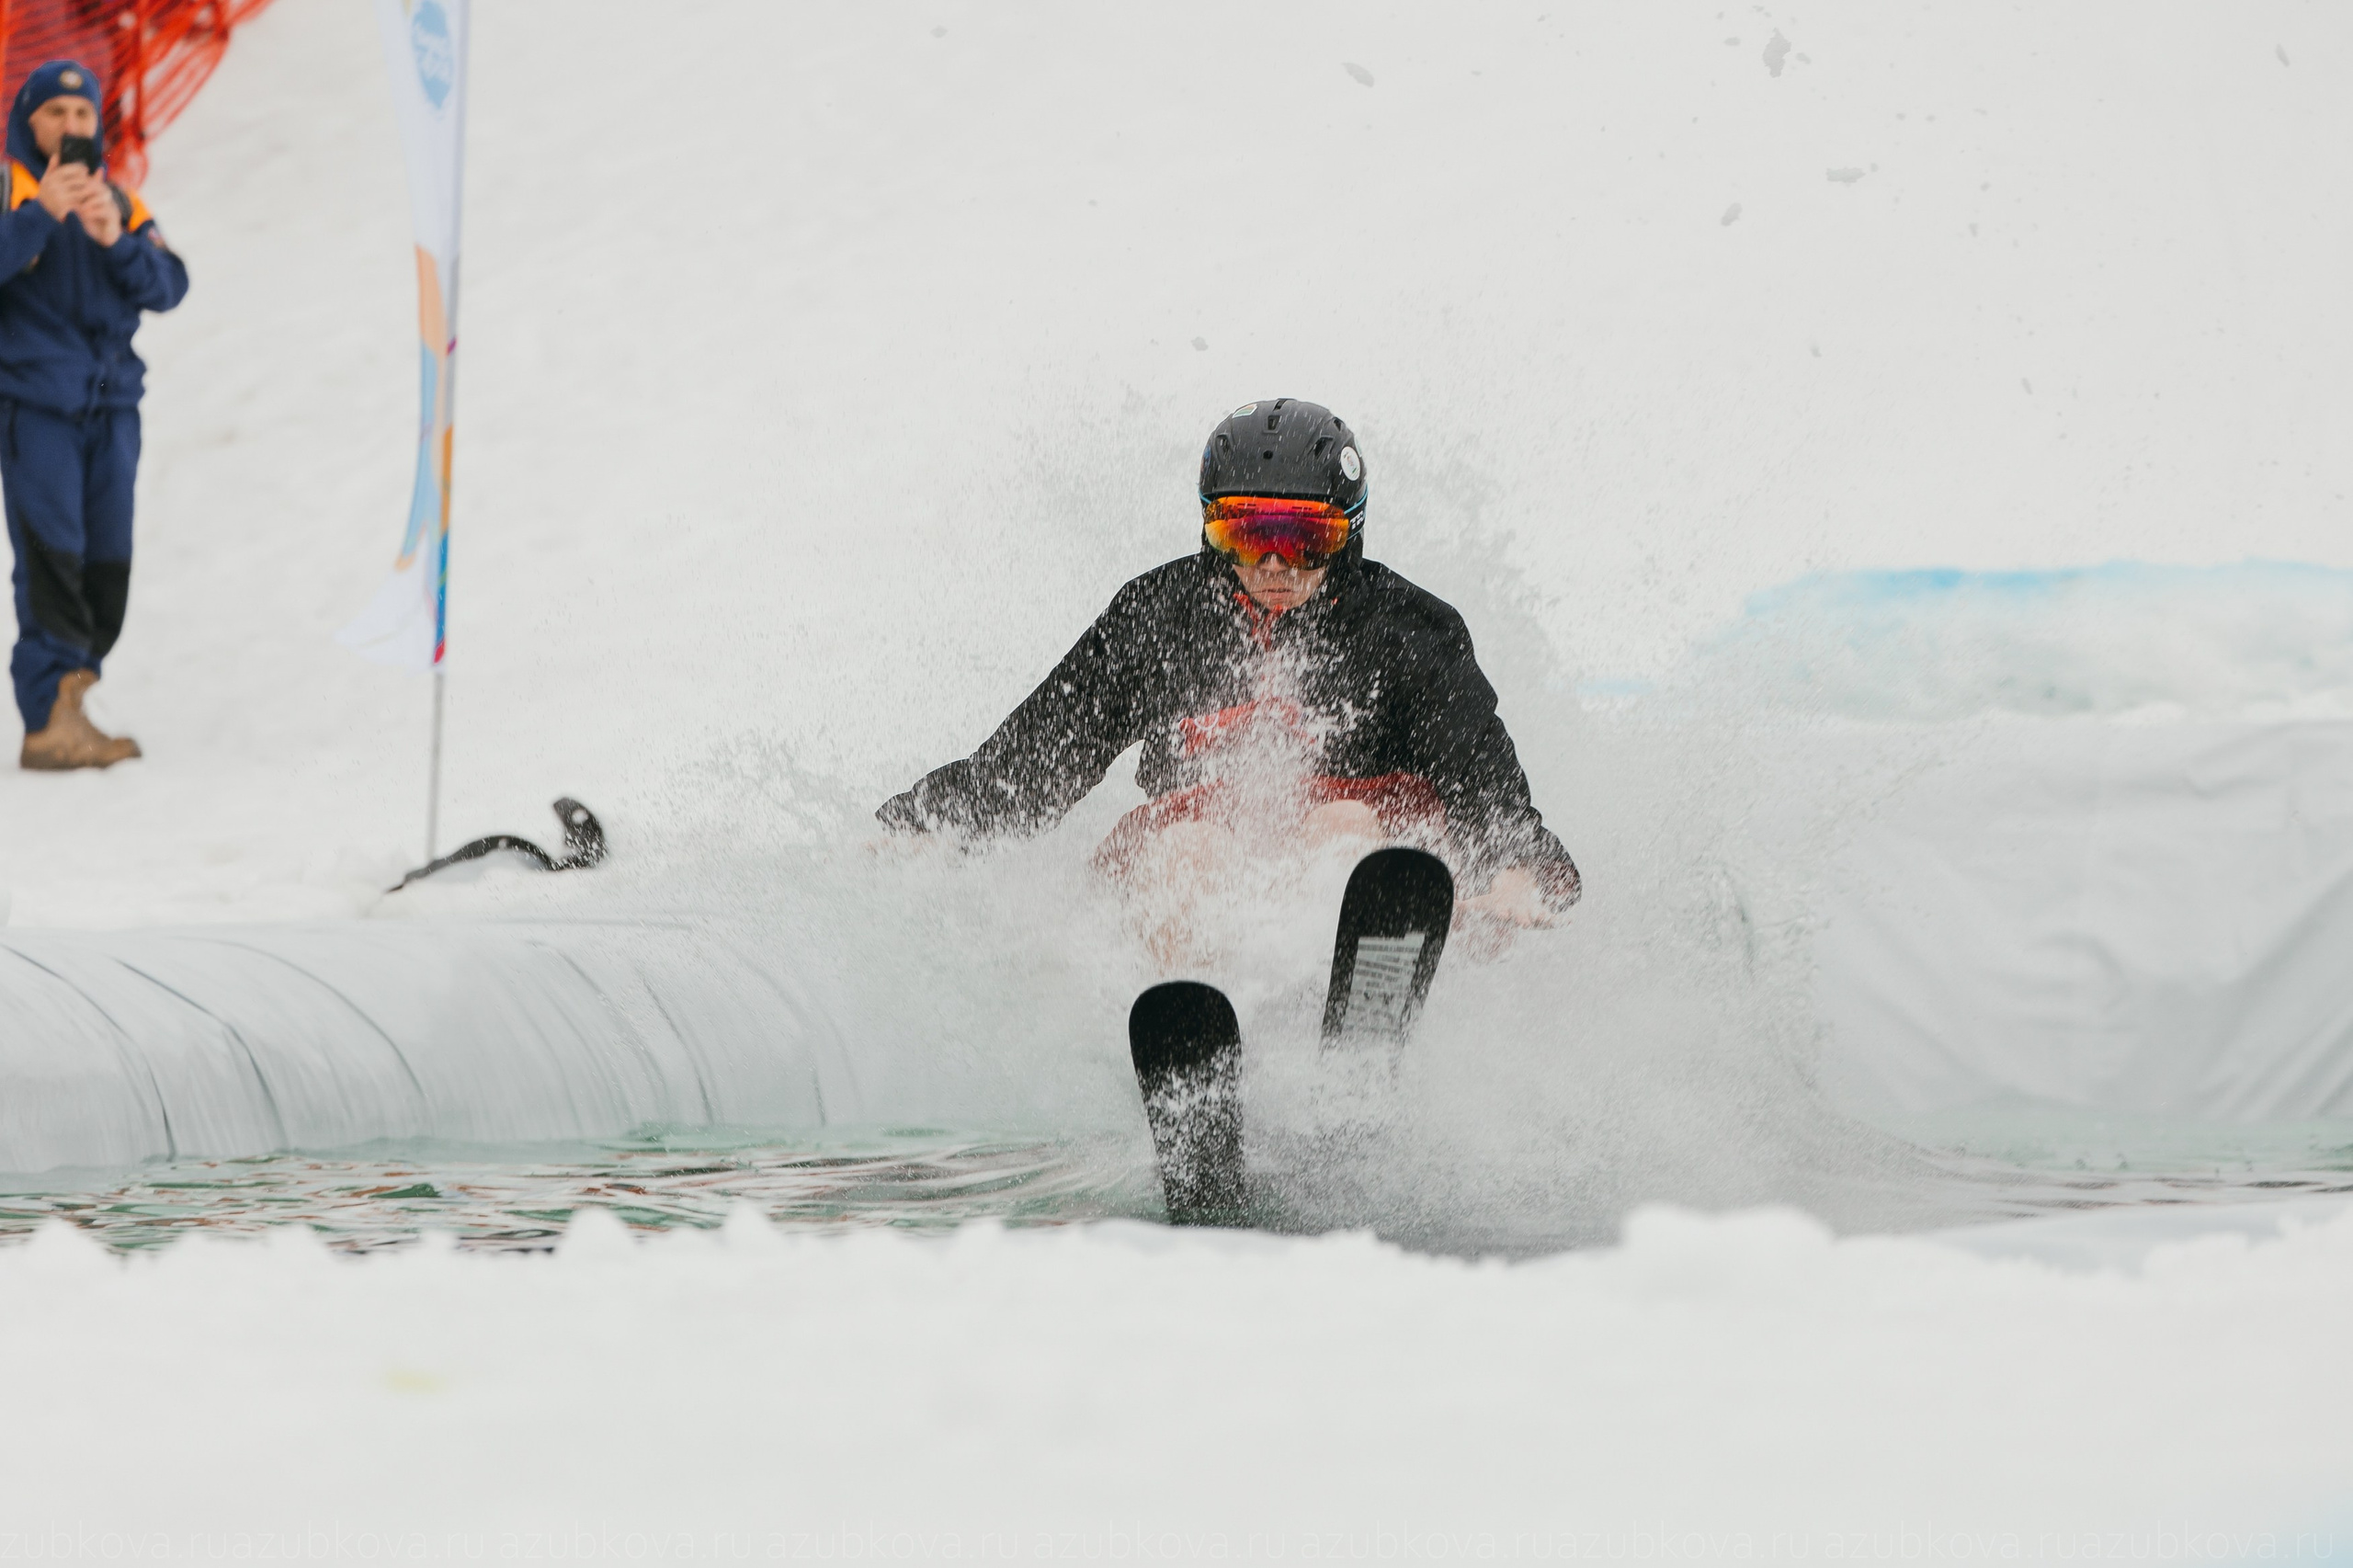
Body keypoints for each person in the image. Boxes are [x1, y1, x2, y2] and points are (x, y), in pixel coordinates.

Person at [878, 398, 1580, 935]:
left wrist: (1521, 874)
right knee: (1188, 854)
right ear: (1214, 533)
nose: (1273, 564)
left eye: (1304, 539)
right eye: (1248, 534)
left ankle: (1350, 1028)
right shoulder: (1157, 617)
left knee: (1341, 832)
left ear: (1348, 537)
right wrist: (910, 834)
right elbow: (1031, 764)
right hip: (1198, 848)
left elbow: (1488, 791)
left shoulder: (1409, 632)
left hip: (1372, 843)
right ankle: (1194, 1038)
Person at [0, 60, 188, 770]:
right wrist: (38, 216)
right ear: (29, 122)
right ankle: (47, 718)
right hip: (35, 407)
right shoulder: (12, 191)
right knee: (52, 554)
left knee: (107, 559)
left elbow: (170, 286)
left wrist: (117, 240)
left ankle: (75, 692)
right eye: (56, 115)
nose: (72, 129)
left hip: (113, 408)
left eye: (83, 117)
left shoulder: (120, 200)